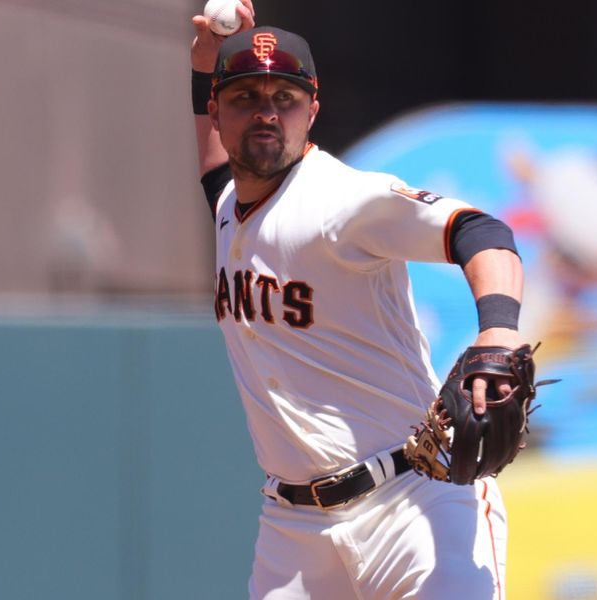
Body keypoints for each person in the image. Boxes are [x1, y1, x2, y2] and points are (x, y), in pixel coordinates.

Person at [190, 3, 526, 598]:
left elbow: (479, 231)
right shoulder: (228, 207)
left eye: (285, 99)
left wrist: (498, 328)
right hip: (292, 529)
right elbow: (216, 171)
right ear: (215, 112)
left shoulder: (342, 201)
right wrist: (200, 65)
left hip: (411, 501)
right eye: (245, 98)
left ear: (312, 110)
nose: (267, 114)